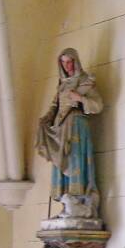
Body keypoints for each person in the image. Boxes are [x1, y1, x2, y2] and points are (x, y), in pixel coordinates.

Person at [35, 48, 103, 218]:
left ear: (76, 61)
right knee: (61, 161)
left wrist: (81, 99)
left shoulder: (85, 82)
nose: (67, 65)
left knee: (75, 161)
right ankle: (67, 201)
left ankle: (79, 200)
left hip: (77, 127)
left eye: (70, 61)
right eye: (64, 62)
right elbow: (54, 107)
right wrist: (46, 119)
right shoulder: (62, 85)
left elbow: (98, 105)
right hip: (61, 128)